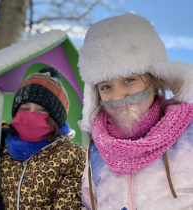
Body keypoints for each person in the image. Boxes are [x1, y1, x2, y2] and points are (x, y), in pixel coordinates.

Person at [78, 13, 193, 210]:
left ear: (155, 78)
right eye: (106, 87)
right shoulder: (96, 146)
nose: (117, 96)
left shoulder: (188, 134)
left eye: (128, 80)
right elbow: (89, 203)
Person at [0, 67, 86, 209]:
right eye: (25, 108)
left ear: (55, 118)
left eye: (41, 110)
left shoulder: (73, 155)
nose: (31, 115)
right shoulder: (1, 150)